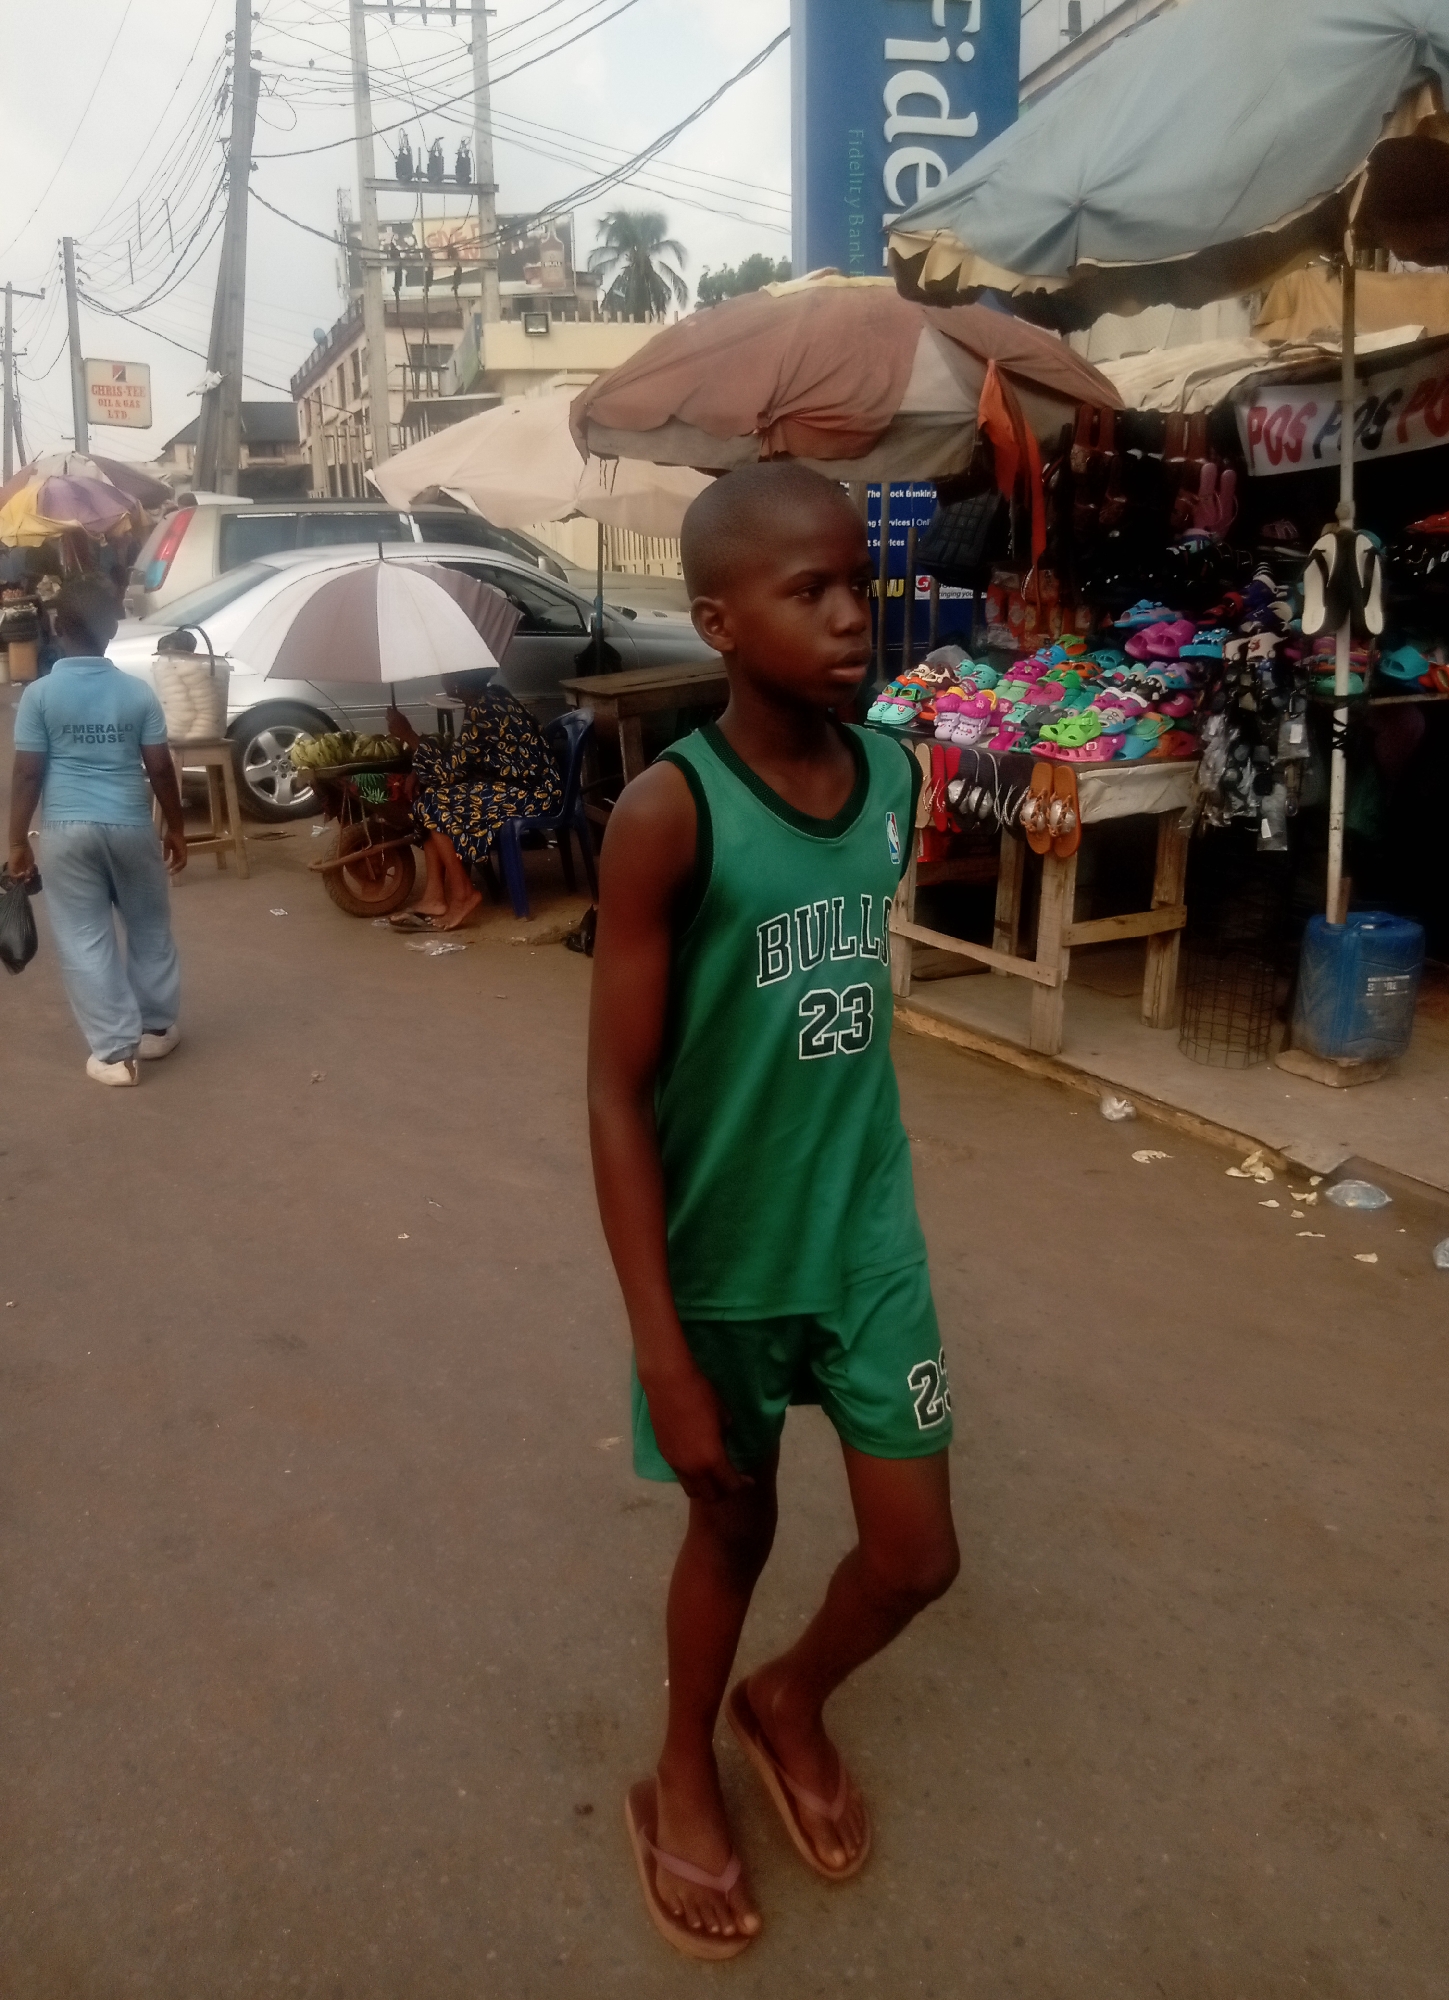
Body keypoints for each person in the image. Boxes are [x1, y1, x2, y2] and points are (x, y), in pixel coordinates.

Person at [588, 462, 959, 1960]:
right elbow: (615, 1093)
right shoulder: (669, 813)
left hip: (864, 1234)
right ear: (719, 621)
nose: (851, 615)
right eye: (809, 592)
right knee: (733, 1527)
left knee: (919, 1556)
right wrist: (661, 1349)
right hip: (725, 1259)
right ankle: (683, 1761)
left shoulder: (896, 778)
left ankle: (788, 1696)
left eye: (858, 583)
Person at [7, 573, 186, 1087]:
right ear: (111, 631)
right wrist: (176, 829)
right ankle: (155, 1030)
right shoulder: (137, 693)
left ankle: (114, 1056)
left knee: (84, 939)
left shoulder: (40, 696)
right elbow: (160, 768)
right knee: (149, 927)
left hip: (66, 832)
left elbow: (28, 774)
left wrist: (17, 841)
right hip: (131, 825)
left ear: (57, 628)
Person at [384, 671, 561, 932]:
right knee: (430, 799)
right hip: (516, 784)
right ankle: (434, 897)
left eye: (446, 675)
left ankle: (463, 894)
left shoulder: (484, 708)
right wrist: (417, 770)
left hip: (534, 793)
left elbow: (449, 770)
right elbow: (464, 760)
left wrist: (408, 734)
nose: (442, 679)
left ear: (456, 682)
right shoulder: (492, 696)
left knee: (438, 803)